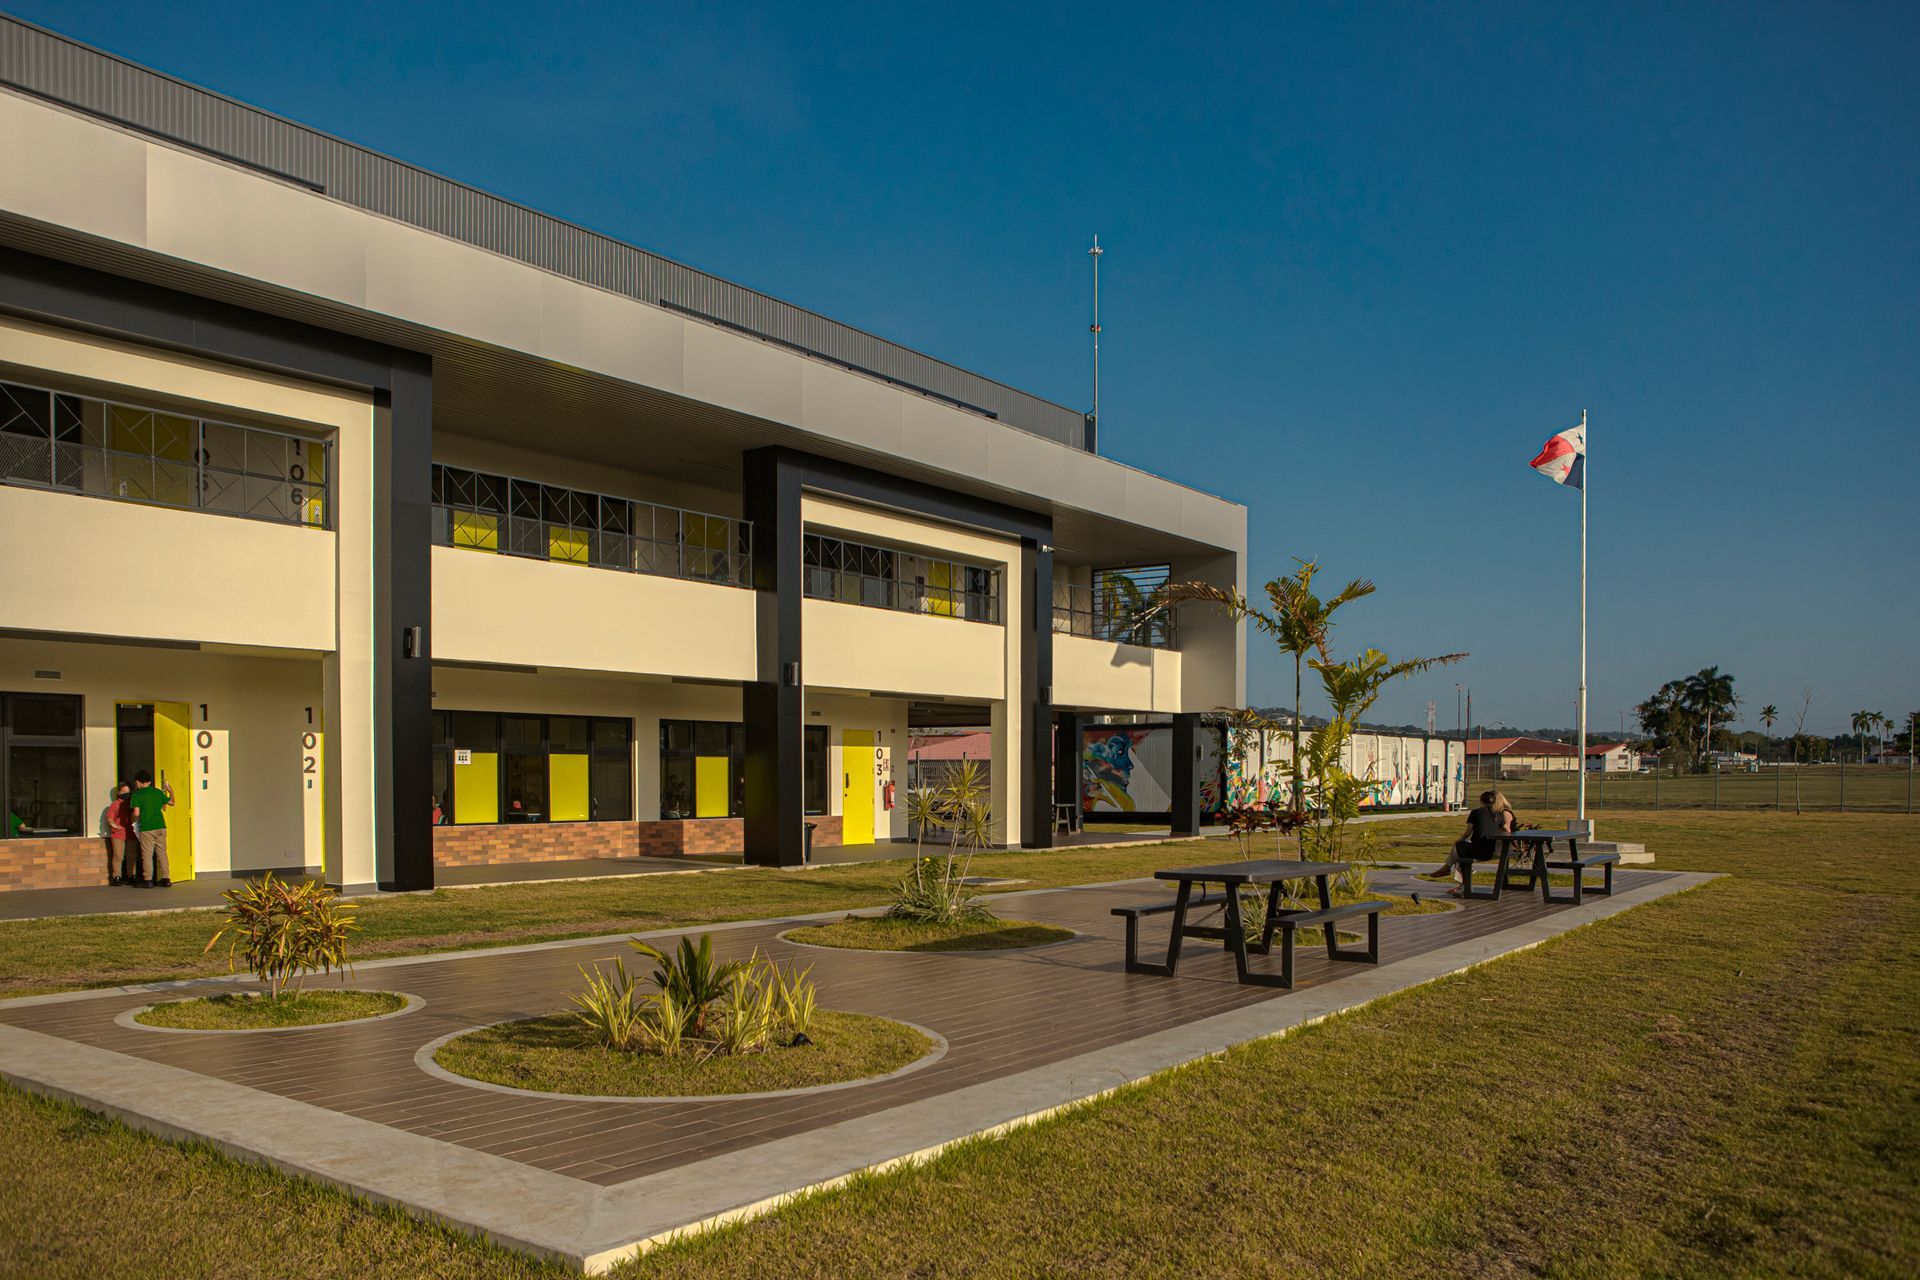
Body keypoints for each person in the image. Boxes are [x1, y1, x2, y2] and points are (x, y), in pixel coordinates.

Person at [1422, 789, 1515, 896]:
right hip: (1490, 850)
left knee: (1458, 847)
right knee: (1459, 851)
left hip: (1477, 850)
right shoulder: (1498, 815)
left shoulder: (1475, 813)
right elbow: (1507, 831)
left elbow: (1468, 832)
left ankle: (1451, 872)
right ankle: (1450, 872)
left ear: (1481, 801)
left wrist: (1460, 839)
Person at [127, 770, 174, 888]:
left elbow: (136, 813)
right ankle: (166, 878)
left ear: (138, 782)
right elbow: (172, 802)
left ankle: (148, 880)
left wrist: (131, 820)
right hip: (161, 826)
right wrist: (171, 791)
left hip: (147, 828)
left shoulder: (137, 795)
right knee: (162, 852)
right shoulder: (157, 792)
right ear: (149, 781)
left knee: (147, 855)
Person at [106, 782, 140, 885]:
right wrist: (115, 825)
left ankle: (131, 875)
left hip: (131, 833)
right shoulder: (115, 804)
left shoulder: (133, 803)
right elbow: (109, 818)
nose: (126, 794)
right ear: (119, 792)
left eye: (128, 792)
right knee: (118, 856)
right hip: (118, 834)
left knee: (132, 856)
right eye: (124, 792)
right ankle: (117, 876)